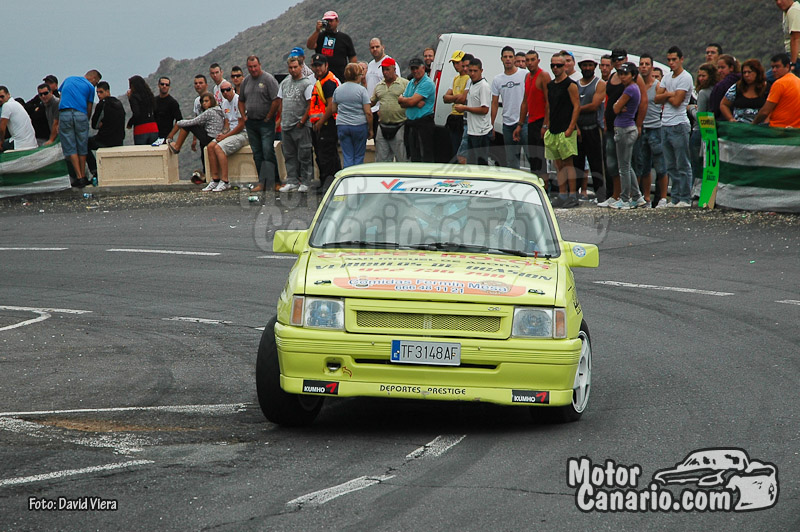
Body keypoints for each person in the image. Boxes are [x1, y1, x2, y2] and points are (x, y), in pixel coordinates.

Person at [654, 46, 694, 207]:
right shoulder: (667, 77)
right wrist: (670, 94)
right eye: (669, 60)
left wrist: (666, 95)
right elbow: (656, 98)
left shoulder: (686, 77)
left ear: (681, 59)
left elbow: (678, 102)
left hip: (679, 124)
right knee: (670, 165)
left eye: (674, 59)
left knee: (682, 163)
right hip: (665, 124)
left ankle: (685, 197)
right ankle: (675, 197)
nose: (671, 63)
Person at [238, 55, 280, 193]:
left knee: (268, 151)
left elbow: (276, 100)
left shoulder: (268, 79)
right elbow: (241, 100)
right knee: (257, 153)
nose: (253, 69)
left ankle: (275, 182)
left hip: (266, 122)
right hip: (251, 123)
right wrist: (243, 116)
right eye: (250, 67)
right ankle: (262, 182)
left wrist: (269, 116)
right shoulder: (246, 81)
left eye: (255, 66)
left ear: (259, 65)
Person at [543, 53, 580, 208]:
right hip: (554, 129)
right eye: (553, 65)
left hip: (566, 129)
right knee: (558, 164)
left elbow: (577, 106)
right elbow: (549, 106)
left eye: (558, 65)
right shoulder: (551, 85)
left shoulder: (570, 85)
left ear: (565, 66)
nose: (555, 68)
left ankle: (573, 195)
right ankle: (562, 193)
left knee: (568, 163)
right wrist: (546, 125)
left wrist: (571, 127)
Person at [635, 54, 669, 208]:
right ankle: (647, 198)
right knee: (644, 166)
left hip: (655, 127)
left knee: (660, 165)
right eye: (641, 64)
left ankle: (663, 198)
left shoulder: (657, 86)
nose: (644, 66)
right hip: (641, 127)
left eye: (647, 64)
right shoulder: (637, 85)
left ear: (651, 66)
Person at [57, 70, 101, 187]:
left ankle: (79, 176)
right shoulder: (90, 87)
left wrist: (59, 120)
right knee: (82, 146)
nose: (95, 85)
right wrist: (86, 119)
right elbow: (89, 106)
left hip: (65, 113)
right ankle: (83, 176)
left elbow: (61, 98)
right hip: (81, 114)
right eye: (96, 82)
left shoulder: (68, 79)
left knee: (70, 147)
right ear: (93, 78)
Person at [276, 57, 314, 192]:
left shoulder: (306, 84)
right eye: (290, 67)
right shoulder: (285, 83)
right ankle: (292, 181)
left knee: (304, 154)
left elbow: (310, 104)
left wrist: (302, 121)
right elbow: (280, 101)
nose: (293, 70)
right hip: (286, 125)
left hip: (300, 125)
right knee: (289, 155)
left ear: (301, 67)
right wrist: (281, 119)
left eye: (295, 67)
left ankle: (306, 181)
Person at [610, 63, 645, 209]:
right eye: (620, 74)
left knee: (623, 167)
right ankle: (637, 197)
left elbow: (615, 108)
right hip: (628, 128)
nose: (622, 77)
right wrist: (617, 106)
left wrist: (617, 105)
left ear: (633, 75)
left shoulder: (630, 89)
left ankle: (624, 199)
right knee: (627, 165)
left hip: (624, 128)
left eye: (625, 74)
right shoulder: (633, 88)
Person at [203, 81, 248, 192]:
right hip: (231, 132)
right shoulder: (224, 104)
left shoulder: (239, 101)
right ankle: (215, 179)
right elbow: (227, 123)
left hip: (243, 133)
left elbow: (241, 125)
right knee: (210, 147)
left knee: (219, 148)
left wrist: (226, 136)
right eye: (223, 91)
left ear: (232, 89)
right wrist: (223, 133)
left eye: (228, 89)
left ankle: (225, 181)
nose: (225, 92)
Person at [513, 50, 550, 184]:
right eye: (527, 60)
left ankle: (545, 188)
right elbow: (525, 102)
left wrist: (545, 125)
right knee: (533, 159)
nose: (529, 63)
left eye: (532, 60)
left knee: (541, 159)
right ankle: (536, 186)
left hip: (541, 121)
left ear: (538, 61)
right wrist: (520, 124)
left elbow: (549, 102)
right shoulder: (527, 77)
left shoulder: (543, 75)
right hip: (531, 122)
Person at [574, 55, 606, 202]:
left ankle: (601, 196)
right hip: (578, 129)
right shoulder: (576, 85)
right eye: (584, 65)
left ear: (595, 66)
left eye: (590, 65)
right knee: (577, 164)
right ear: (580, 66)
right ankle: (575, 195)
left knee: (596, 164)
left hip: (593, 128)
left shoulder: (599, 84)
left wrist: (577, 109)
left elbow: (594, 105)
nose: (587, 68)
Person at [491, 46, 528, 169]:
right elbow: (494, 103)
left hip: (524, 122)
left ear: (514, 58)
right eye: (505, 57)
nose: (508, 59)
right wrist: (491, 124)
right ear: (501, 59)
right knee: (511, 161)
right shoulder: (497, 80)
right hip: (507, 124)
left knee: (532, 156)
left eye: (510, 57)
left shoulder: (524, 74)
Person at [309, 53, 341, 192]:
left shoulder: (328, 83)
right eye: (315, 66)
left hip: (327, 125)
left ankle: (329, 185)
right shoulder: (321, 81)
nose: (317, 68)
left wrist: (321, 122)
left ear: (326, 65)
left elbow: (331, 106)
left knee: (327, 156)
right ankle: (325, 182)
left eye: (320, 65)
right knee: (323, 155)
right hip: (320, 125)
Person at [331, 63, 372, 168]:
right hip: (359, 125)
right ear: (357, 76)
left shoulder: (338, 90)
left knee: (347, 156)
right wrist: (371, 129)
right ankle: (357, 175)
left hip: (342, 125)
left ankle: (348, 175)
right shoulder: (361, 90)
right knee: (358, 156)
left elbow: (333, 109)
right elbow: (368, 112)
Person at [454, 57, 492, 165]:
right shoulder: (471, 83)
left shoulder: (483, 86)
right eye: (470, 71)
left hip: (481, 131)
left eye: (475, 71)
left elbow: (485, 109)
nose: (472, 73)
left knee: (481, 163)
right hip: (472, 129)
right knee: (471, 162)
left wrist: (465, 108)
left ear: (481, 71)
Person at [371, 57, 409, 162]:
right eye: (383, 70)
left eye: (387, 69)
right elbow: (372, 102)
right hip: (383, 125)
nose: (385, 72)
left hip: (400, 125)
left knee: (402, 159)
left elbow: (412, 101)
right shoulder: (379, 86)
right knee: (381, 160)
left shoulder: (405, 84)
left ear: (394, 69)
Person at [399, 57, 436, 162]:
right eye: (412, 69)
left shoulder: (427, 83)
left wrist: (407, 100)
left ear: (423, 68)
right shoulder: (411, 82)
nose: (415, 71)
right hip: (411, 124)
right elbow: (401, 103)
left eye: (417, 68)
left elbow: (409, 102)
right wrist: (410, 101)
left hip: (424, 124)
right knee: (413, 156)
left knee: (425, 156)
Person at [689, 62, 718, 194]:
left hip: (699, 132)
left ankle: (695, 193)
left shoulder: (703, 93)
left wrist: (690, 109)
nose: (700, 78)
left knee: (696, 166)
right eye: (699, 76)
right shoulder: (717, 90)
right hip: (712, 133)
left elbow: (699, 116)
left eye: (703, 76)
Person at [166, 92, 224, 157]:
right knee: (188, 122)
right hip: (215, 137)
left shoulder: (209, 112)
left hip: (210, 138)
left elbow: (194, 121)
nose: (204, 103)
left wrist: (179, 123)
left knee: (188, 125)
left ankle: (177, 147)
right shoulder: (217, 110)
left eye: (206, 101)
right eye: (202, 102)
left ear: (212, 101)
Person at [87, 81, 125, 179]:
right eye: (97, 92)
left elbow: (94, 125)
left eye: (101, 92)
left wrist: (101, 124)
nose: (99, 95)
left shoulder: (102, 105)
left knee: (84, 144)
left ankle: (95, 171)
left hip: (104, 140)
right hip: (119, 140)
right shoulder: (119, 103)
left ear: (107, 91)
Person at [307, 10, 356, 83]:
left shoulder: (345, 38)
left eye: (331, 21)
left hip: (341, 77)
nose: (329, 23)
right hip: (321, 78)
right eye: (326, 21)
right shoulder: (319, 36)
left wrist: (351, 75)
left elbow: (352, 57)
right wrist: (317, 31)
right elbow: (310, 46)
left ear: (337, 21)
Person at [753, 53, 800, 127]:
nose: (774, 70)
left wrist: (752, 125)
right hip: (795, 128)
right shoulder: (798, 81)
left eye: (777, 67)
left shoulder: (780, 83)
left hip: (778, 127)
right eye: (772, 67)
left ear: (787, 66)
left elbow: (765, 112)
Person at [365, 38, 399, 137]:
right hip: (371, 109)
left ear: (383, 47)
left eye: (377, 46)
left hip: (383, 110)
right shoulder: (370, 64)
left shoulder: (391, 63)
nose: (375, 49)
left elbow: (397, 85)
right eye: (372, 47)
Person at [442, 50, 469, 160]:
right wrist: (456, 97)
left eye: (457, 62)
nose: (455, 66)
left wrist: (453, 97)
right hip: (454, 117)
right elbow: (445, 98)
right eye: (454, 63)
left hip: (463, 117)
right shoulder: (455, 79)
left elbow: (463, 99)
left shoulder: (468, 78)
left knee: (461, 151)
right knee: (454, 149)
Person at [0, 87, 38, 152]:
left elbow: (2, 128)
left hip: (19, 143)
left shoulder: (6, 105)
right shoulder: (16, 104)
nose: (0, 99)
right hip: (31, 143)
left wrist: (1, 142)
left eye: (2, 96)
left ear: (8, 95)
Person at [126, 75, 158, 145]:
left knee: (141, 151)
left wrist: (130, 123)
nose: (129, 88)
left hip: (141, 129)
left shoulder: (134, 97)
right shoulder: (149, 95)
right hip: (153, 127)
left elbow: (136, 113)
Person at [710, 55, 741, 119]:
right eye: (718, 68)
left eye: (722, 67)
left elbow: (715, 109)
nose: (719, 71)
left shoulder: (721, 86)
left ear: (731, 68)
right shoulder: (744, 81)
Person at [777, 0, 800, 73]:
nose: (778, 2)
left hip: (796, 57)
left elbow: (795, 38)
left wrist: (793, 63)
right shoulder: (787, 11)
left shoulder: (794, 10)